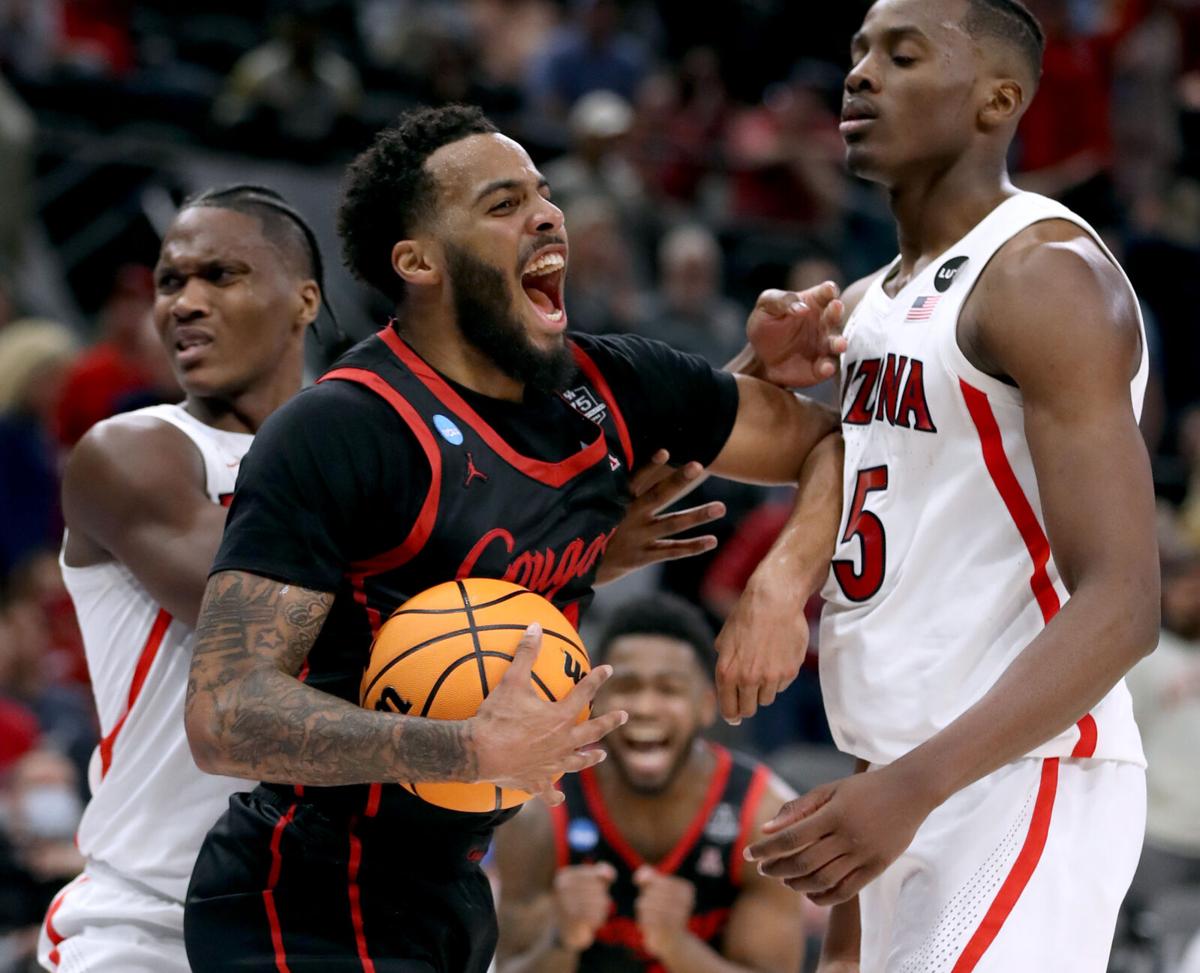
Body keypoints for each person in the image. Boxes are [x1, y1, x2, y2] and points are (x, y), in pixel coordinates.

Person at [182, 104, 845, 973]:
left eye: (542, 192)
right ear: (418, 261)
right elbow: (223, 714)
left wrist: (778, 583)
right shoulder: (340, 430)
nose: (545, 214)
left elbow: (831, 439)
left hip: (454, 891)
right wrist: (464, 748)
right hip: (305, 888)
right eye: (501, 205)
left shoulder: (614, 385)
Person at [727, 1, 1159, 970]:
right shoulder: (875, 300)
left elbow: (1127, 602)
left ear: (998, 98)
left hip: (1021, 773)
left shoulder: (1044, 274)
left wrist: (914, 785)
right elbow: (810, 446)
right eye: (858, 52)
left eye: (903, 54)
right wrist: (750, 374)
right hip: (903, 772)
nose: (862, 75)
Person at [35, 184, 327, 973]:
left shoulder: (365, 464)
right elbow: (256, 615)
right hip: (155, 923)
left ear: (305, 299)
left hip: (321, 919)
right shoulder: (136, 450)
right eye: (172, 282)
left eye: (221, 275)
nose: (185, 303)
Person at [493, 594, 805, 972]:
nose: (644, 706)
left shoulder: (763, 819)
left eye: (668, 689)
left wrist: (677, 946)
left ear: (706, 705)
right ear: (594, 700)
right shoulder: (539, 810)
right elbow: (511, 964)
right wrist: (562, 937)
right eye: (627, 686)